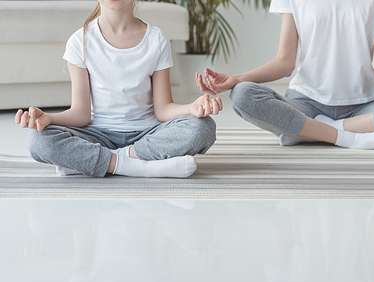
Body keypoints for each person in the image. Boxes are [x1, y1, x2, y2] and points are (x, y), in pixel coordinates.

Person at [196, 0, 374, 151]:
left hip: (367, 106)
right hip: (305, 102)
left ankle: (309, 132)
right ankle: (349, 136)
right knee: (244, 95)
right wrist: (236, 79)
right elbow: (284, 63)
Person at [15, 0, 223, 178]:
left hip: (146, 134)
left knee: (203, 127)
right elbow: (81, 113)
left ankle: (99, 162)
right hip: (97, 134)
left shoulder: (156, 39)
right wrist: (49, 118)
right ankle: (141, 167)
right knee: (37, 140)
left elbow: (163, 109)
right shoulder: (80, 41)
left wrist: (191, 108)